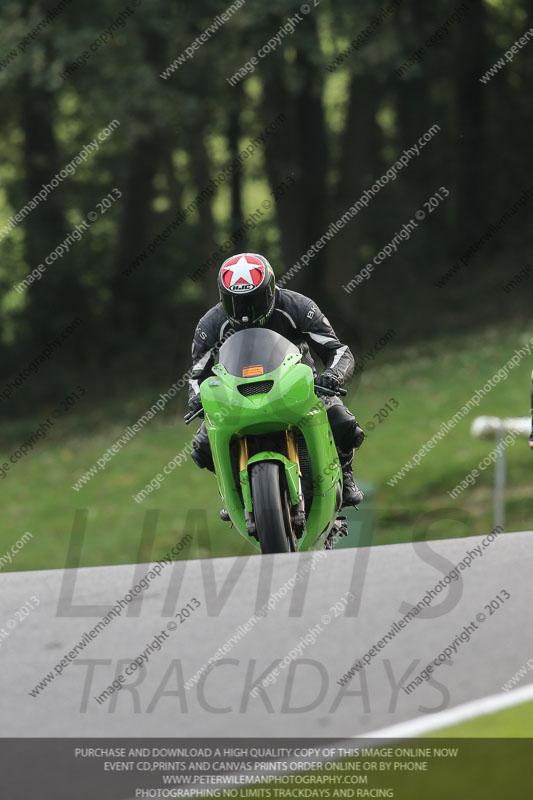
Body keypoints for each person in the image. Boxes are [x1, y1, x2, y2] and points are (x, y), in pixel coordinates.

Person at [187, 253, 365, 506]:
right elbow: (197, 373)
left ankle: (345, 475)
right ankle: (232, 490)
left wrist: (332, 376)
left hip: (300, 387)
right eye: (235, 302)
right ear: (222, 297)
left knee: (343, 422)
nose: (245, 312)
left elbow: (338, 351)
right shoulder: (210, 323)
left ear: (270, 290)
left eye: (254, 300)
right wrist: (197, 398)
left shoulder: (298, 306)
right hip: (235, 395)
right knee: (202, 447)